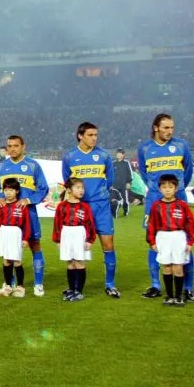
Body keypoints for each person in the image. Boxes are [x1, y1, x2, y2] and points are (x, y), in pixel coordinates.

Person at [136, 114, 194, 300]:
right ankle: (155, 285)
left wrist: (178, 189)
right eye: (166, 128)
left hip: (179, 198)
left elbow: (188, 170)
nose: (170, 131)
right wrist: (156, 189)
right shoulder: (144, 148)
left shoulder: (181, 145)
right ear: (156, 128)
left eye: (172, 128)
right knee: (154, 242)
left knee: (184, 242)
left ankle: (188, 287)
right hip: (154, 200)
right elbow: (145, 174)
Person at [61, 121, 120, 298]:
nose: (94, 138)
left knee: (108, 245)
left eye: (96, 135)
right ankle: (76, 287)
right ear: (80, 136)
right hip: (80, 208)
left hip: (101, 207)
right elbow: (68, 182)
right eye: (90, 135)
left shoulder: (103, 156)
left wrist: (98, 194)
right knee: (76, 249)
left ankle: (110, 284)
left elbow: (109, 180)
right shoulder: (70, 157)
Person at [0, 135, 49, 297]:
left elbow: (43, 189)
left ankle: (38, 284)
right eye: (9, 146)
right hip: (8, 217)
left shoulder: (33, 166)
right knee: (8, 250)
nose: (12, 149)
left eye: (16, 145)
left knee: (35, 245)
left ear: (23, 147)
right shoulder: (1, 167)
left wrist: (29, 199)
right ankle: (10, 283)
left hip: (28, 213)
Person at [147, 174, 194, 306]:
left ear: (176, 188)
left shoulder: (182, 205)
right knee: (166, 267)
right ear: (160, 189)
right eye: (164, 187)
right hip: (163, 237)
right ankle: (169, 296)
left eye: (170, 187)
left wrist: (190, 242)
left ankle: (179, 296)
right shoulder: (156, 206)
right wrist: (152, 242)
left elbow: (190, 224)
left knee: (178, 267)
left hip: (179, 237)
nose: (167, 189)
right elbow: (151, 225)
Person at [52, 178, 96, 301]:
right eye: (78, 187)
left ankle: (79, 291)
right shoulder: (62, 206)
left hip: (79, 234)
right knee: (70, 263)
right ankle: (71, 289)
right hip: (66, 233)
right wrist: (58, 240)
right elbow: (57, 224)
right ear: (69, 190)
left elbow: (90, 224)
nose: (81, 190)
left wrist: (89, 240)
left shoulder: (85, 207)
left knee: (79, 262)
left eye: (82, 188)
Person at [0, 178, 32, 298]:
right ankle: (8, 285)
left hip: (16, 233)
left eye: (11, 190)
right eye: (6, 190)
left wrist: (25, 238)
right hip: (3, 232)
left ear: (17, 191)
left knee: (17, 260)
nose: (8, 192)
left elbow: (27, 223)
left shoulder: (21, 205)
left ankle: (20, 287)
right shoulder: (1, 205)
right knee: (6, 260)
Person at [111, 149, 133, 218]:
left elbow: (130, 173)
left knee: (125, 200)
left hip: (123, 185)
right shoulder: (113, 163)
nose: (118, 155)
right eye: (117, 153)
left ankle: (125, 211)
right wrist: (110, 184)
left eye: (120, 153)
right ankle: (114, 213)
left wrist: (128, 182)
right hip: (115, 185)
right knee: (114, 200)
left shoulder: (126, 163)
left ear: (123, 155)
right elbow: (111, 174)